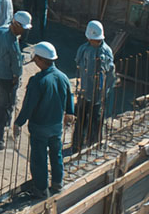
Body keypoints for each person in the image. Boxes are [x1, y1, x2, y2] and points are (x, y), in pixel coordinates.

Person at [13, 42, 73, 197]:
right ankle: (58, 183)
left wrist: (19, 122)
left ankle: (41, 189)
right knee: (56, 154)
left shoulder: (38, 81)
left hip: (40, 127)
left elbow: (28, 106)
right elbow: (69, 97)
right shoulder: (63, 77)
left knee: (39, 159)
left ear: (40, 59)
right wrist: (70, 113)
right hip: (56, 126)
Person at [0, 11, 31, 149]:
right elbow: (16, 64)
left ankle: (3, 128)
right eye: (22, 28)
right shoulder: (11, 41)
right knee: (4, 108)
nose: (23, 31)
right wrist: (16, 77)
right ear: (16, 24)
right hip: (6, 79)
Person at [71, 21, 115, 154]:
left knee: (96, 121)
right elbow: (78, 69)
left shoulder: (106, 52)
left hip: (99, 94)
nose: (93, 42)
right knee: (81, 120)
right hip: (84, 92)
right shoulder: (84, 49)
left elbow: (111, 74)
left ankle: (93, 145)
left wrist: (104, 91)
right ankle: (77, 147)